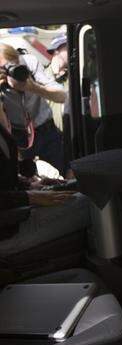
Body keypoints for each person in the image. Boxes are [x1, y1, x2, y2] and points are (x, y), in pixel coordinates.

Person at [0, 98, 89, 255]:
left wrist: (31, 186)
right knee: (92, 203)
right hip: (9, 230)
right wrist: (30, 197)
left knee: (83, 187)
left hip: (17, 212)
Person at [0, 43, 67, 174]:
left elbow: (62, 97)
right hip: (17, 136)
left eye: (13, 65)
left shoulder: (29, 63)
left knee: (60, 177)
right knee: (25, 181)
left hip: (47, 131)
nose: (12, 72)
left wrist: (33, 87)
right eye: (4, 69)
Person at [45, 34, 69, 135]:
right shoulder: (41, 77)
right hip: (52, 138)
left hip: (72, 133)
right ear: (56, 51)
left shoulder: (74, 76)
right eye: (67, 47)